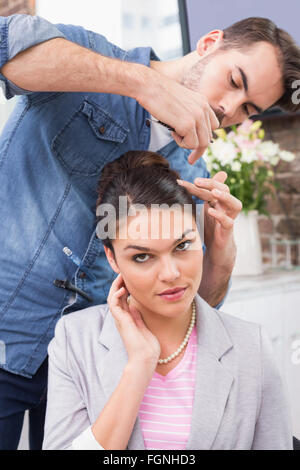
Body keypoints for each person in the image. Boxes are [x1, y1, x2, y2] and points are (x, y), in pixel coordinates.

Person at [0, 14, 299, 450]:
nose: (229, 109)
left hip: (92, 365)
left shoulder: (191, 172)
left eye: (249, 108)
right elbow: (8, 51)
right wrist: (143, 83)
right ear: (210, 43)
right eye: (234, 80)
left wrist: (220, 250)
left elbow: (188, 304)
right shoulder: (99, 60)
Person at [42, 150, 293, 450]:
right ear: (112, 258)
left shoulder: (250, 345)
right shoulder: (74, 341)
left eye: (183, 245)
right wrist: (139, 365)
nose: (171, 273)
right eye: (142, 256)